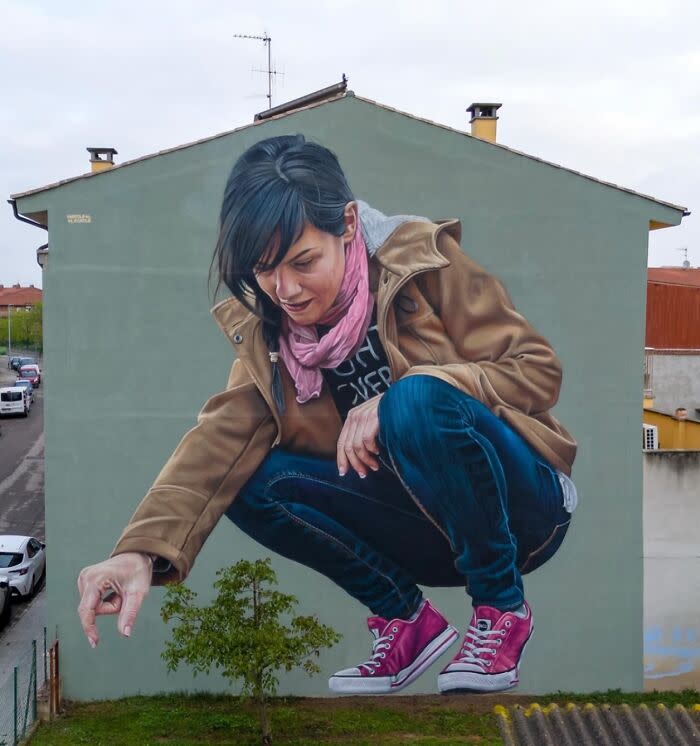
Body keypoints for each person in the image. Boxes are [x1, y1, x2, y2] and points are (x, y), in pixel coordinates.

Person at [77, 134, 577, 695]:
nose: (285, 290)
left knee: (417, 400)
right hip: (428, 532)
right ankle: (407, 620)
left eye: (303, 262)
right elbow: (216, 441)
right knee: (247, 481)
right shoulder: (273, 338)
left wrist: (408, 393)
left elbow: (536, 370)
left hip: (521, 513)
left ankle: (502, 609)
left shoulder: (422, 262)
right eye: (265, 270)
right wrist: (139, 554)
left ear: (347, 225)